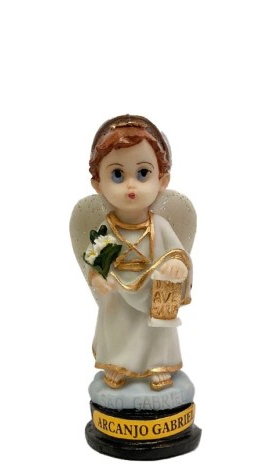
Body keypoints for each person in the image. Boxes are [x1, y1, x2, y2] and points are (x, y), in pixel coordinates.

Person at [82, 115, 193, 391]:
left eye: (143, 173)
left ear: (162, 180)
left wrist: (177, 266)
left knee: (154, 331)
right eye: (117, 175)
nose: (131, 186)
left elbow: (178, 254)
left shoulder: (159, 225)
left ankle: (157, 366)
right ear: (98, 184)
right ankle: (117, 365)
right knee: (117, 328)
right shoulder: (108, 227)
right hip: (118, 294)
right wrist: (98, 279)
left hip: (151, 292)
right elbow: (94, 263)